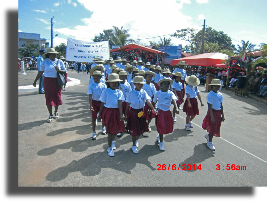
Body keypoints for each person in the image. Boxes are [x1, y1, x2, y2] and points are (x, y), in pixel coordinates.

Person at [33, 48, 66, 123]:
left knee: (57, 96)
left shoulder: (59, 61)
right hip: (47, 81)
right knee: (48, 97)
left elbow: (65, 71)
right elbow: (40, 73)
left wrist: (59, 70)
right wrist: (35, 81)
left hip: (56, 81)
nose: (54, 55)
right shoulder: (44, 62)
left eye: (55, 53)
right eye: (52, 53)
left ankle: (56, 112)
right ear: (48, 55)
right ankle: (50, 114)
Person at [125, 76, 156, 154]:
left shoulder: (143, 92)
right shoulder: (131, 93)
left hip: (141, 112)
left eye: (142, 84)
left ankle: (137, 140)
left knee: (139, 129)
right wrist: (126, 114)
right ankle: (133, 145)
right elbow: (128, 104)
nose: (140, 85)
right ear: (135, 84)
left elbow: (148, 101)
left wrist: (153, 108)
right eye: (139, 84)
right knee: (133, 130)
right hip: (133, 112)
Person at [98, 73, 125, 157]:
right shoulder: (106, 91)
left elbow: (120, 104)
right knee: (110, 131)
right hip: (108, 112)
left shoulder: (119, 92)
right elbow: (102, 103)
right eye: (112, 82)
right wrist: (99, 114)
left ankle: (112, 141)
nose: (114, 84)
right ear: (109, 83)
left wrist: (121, 114)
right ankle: (109, 147)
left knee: (115, 130)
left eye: (116, 82)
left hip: (116, 112)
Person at [153, 77, 179, 151]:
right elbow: (154, 103)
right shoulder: (158, 93)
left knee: (166, 126)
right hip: (160, 111)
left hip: (167, 112)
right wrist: (154, 110)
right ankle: (161, 142)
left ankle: (159, 136)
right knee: (161, 126)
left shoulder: (170, 93)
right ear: (161, 85)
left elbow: (174, 100)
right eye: (165, 84)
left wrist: (176, 108)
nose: (167, 85)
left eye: (168, 84)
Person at [202, 79, 225, 151]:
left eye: (218, 86)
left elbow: (221, 105)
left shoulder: (220, 95)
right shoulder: (210, 95)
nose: (217, 87)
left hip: (218, 112)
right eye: (215, 86)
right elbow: (210, 106)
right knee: (212, 127)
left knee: (216, 127)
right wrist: (212, 116)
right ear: (212, 86)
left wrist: (222, 115)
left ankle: (208, 135)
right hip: (212, 112)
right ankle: (210, 142)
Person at [87, 70, 107, 140]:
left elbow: (105, 95)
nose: (96, 80)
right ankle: (94, 131)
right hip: (94, 103)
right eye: (94, 78)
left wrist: (105, 103)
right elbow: (90, 95)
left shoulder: (103, 85)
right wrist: (90, 105)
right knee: (93, 117)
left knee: (102, 116)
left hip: (101, 103)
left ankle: (103, 127)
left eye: (97, 78)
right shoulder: (91, 85)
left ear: (100, 78)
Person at [118, 70, 132, 136]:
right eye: (121, 76)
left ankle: (128, 127)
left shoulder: (128, 85)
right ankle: (120, 129)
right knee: (120, 115)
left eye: (123, 76)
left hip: (126, 102)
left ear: (126, 77)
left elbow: (130, 93)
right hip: (119, 102)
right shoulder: (117, 84)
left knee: (128, 115)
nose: (122, 77)